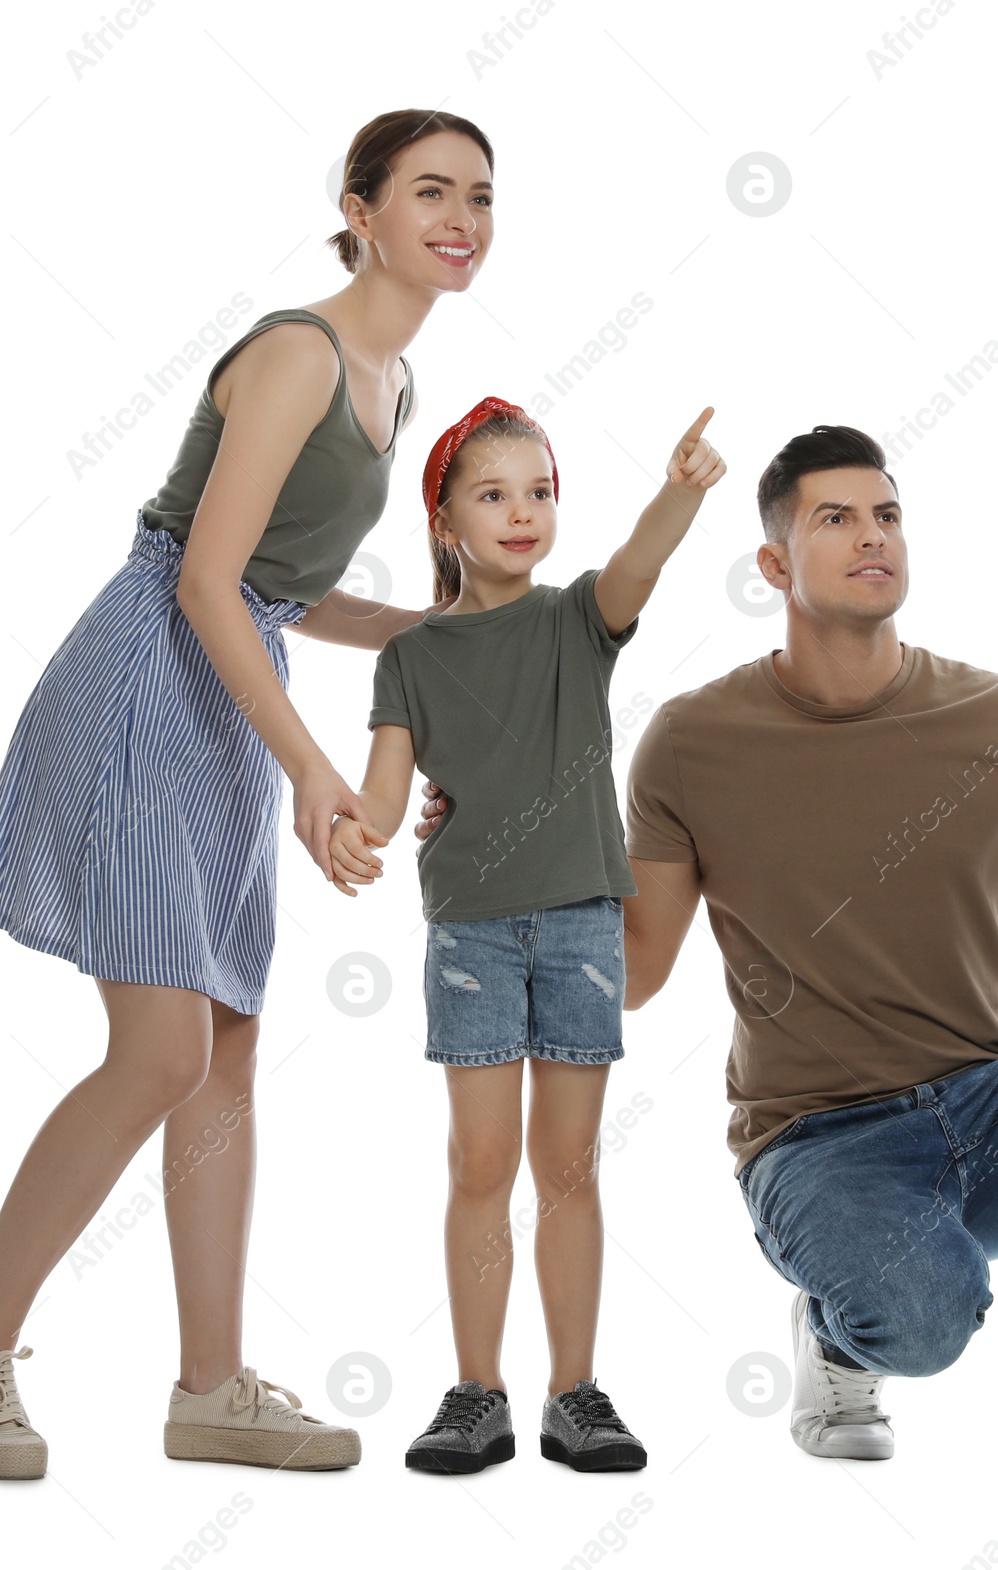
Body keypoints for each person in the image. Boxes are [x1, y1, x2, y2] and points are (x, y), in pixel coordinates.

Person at [0, 109, 497, 1480]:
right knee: (161, 1048)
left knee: (224, 1044)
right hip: (147, 675)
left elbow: (276, 590)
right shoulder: (300, 353)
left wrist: (431, 635)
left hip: (230, 679)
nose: (463, 216)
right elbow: (200, 577)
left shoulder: (394, 376)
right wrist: (310, 764)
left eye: (481, 195)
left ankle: (210, 1387)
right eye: (430, 190)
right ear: (357, 208)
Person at [615, 425, 998, 1496]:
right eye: (836, 518)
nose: (873, 537)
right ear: (773, 564)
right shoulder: (690, 738)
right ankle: (838, 1335)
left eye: (887, 514)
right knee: (922, 1319)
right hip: (816, 1146)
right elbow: (630, 971)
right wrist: (493, 864)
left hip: (995, 1115)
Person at [327, 398, 725, 1473]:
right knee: (481, 1161)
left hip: (583, 922)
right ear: (445, 522)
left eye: (539, 493)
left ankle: (575, 1394)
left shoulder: (574, 620)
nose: (521, 513)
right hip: (470, 934)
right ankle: (475, 1394)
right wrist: (337, 821)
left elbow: (636, 566)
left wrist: (680, 489)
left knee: (567, 1164)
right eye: (492, 494)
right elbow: (379, 789)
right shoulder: (409, 657)